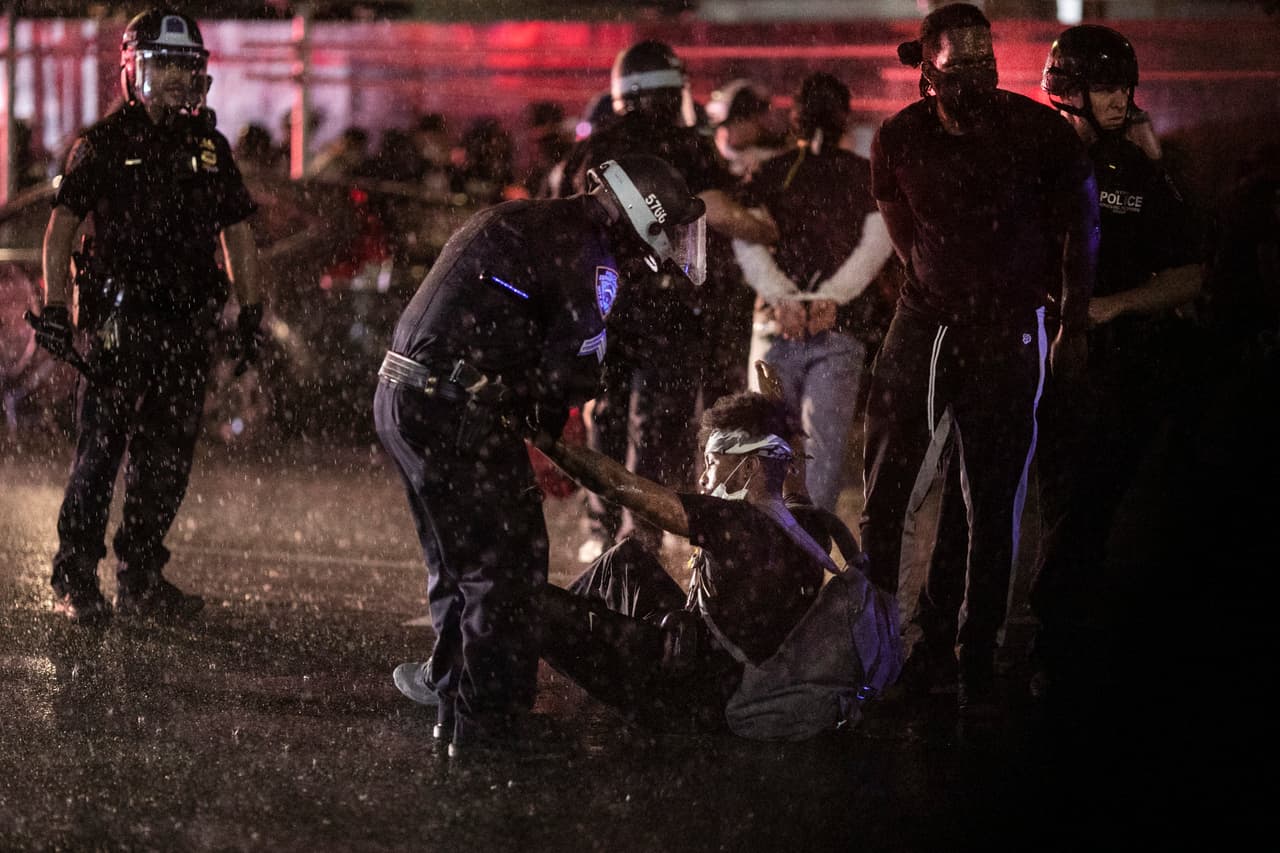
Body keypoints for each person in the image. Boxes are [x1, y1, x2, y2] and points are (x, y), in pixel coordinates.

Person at [376, 155, 706, 757]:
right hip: (454, 412)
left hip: (410, 396)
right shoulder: (594, 261)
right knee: (506, 570)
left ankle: (454, 700)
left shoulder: (534, 218)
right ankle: (489, 728)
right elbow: (570, 371)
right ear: (643, 217)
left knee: (460, 563)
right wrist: (557, 422)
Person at [861, 2, 1099, 713]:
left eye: (984, 58)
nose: (977, 71)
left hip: (1009, 325)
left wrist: (1073, 323)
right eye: (959, 60)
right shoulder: (899, 137)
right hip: (927, 318)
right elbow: (899, 224)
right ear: (927, 69)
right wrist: (935, 282)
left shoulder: (1035, 132)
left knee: (992, 499)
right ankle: (876, 653)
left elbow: (1081, 225)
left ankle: (975, 657)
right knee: (887, 489)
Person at [29, 8, 261, 624]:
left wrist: (251, 308)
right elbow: (60, 233)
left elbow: (237, 233)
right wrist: (55, 307)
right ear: (133, 70)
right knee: (99, 455)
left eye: (188, 67)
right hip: (117, 328)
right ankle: (76, 578)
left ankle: (142, 577)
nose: (180, 80)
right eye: (165, 66)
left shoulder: (208, 149)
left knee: (166, 458)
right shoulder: (103, 144)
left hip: (185, 328)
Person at [1023, 24, 1205, 700]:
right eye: (1106, 85)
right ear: (1068, 89)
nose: (1121, 97)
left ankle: (1071, 648)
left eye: (1126, 84)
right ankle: (1050, 648)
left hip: (1120, 366)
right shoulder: (1032, 162)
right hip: (1039, 357)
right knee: (1059, 506)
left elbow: (1191, 271)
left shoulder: (1137, 169)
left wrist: (1110, 307)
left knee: (1092, 509)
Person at [556, 39, 778, 561]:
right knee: (658, 426)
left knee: (603, 416)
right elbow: (720, 211)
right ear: (673, 91)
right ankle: (642, 537)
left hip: (604, 302)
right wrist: (764, 228)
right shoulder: (686, 146)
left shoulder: (592, 148)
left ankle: (601, 526)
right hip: (672, 309)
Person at [533, 390, 836, 732]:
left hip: (693, 700)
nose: (703, 477)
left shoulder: (736, 523)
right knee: (626, 558)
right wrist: (781, 418)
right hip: (727, 677)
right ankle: (552, 643)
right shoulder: (807, 524)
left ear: (749, 466)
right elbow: (789, 468)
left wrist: (546, 442)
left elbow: (621, 486)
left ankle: (510, 677)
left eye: (712, 461)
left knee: (527, 601)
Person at [735, 71, 896, 513]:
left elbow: (745, 240)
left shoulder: (770, 174)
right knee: (822, 449)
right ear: (845, 117)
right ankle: (807, 550)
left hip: (774, 323)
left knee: (765, 443)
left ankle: (767, 543)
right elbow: (878, 242)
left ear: (795, 116)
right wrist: (833, 298)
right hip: (841, 327)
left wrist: (785, 296)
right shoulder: (863, 175)